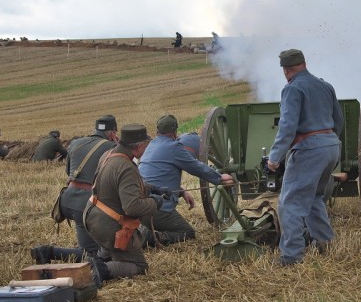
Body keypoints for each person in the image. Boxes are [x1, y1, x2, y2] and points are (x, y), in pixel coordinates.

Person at [267, 49, 344, 266]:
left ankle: (291, 256)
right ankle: (324, 242)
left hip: (309, 149)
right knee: (314, 198)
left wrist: (274, 158)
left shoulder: (293, 89)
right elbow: (339, 120)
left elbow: (287, 127)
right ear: (304, 63)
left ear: (285, 69)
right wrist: (327, 142)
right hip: (330, 146)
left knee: (289, 204)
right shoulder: (325, 85)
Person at [30, 116, 119, 265]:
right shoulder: (111, 147)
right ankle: (48, 252)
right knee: (94, 256)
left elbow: (68, 172)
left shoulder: (76, 143)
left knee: (96, 247)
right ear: (112, 133)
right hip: (87, 205)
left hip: (68, 200)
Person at [83, 123, 163, 285]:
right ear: (139, 146)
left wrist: (154, 189)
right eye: (146, 145)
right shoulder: (126, 167)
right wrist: (155, 202)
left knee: (107, 252)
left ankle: (101, 257)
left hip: (93, 216)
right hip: (108, 225)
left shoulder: (109, 154)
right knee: (139, 266)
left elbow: (119, 186)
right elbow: (132, 207)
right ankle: (103, 269)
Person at [138, 115, 233, 246]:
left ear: (157, 131)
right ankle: (151, 238)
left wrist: (182, 192)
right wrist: (219, 178)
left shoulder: (151, 145)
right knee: (187, 232)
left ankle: (145, 228)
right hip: (157, 209)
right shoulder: (173, 147)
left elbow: (156, 176)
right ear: (175, 132)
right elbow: (196, 167)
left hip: (140, 206)